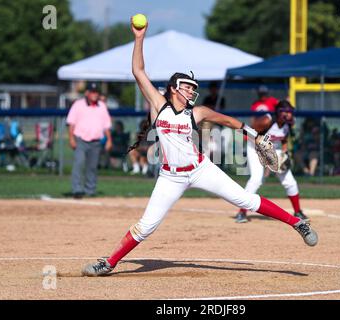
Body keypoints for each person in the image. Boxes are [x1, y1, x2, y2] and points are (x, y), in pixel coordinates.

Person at [81, 19, 318, 276]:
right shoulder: (159, 104)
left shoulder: (198, 111)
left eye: (194, 88)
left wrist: (254, 135)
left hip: (200, 168)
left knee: (245, 199)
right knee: (146, 226)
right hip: (170, 176)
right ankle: (109, 263)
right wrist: (139, 38)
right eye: (187, 86)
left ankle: (298, 223)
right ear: (173, 88)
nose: (192, 91)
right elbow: (138, 71)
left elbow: (226, 120)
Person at [234, 100, 310, 223]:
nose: (290, 115)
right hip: (255, 149)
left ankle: (298, 211)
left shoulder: (288, 123)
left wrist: (284, 153)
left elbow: (284, 139)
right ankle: (241, 212)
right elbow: (248, 131)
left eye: (291, 112)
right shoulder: (267, 121)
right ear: (279, 113)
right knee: (256, 180)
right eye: (287, 112)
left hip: (273, 149)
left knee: (289, 181)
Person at [66, 82, 113, 198]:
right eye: (92, 92)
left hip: (96, 141)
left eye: (96, 92)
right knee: (79, 163)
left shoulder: (101, 106)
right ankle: (77, 189)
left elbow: (106, 125)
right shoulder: (78, 104)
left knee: (92, 167)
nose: (95, 94)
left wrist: (109, 140)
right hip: (80, 139)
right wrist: (71, 138)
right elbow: (71, 123)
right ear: (87, 93)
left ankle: (90, 190)